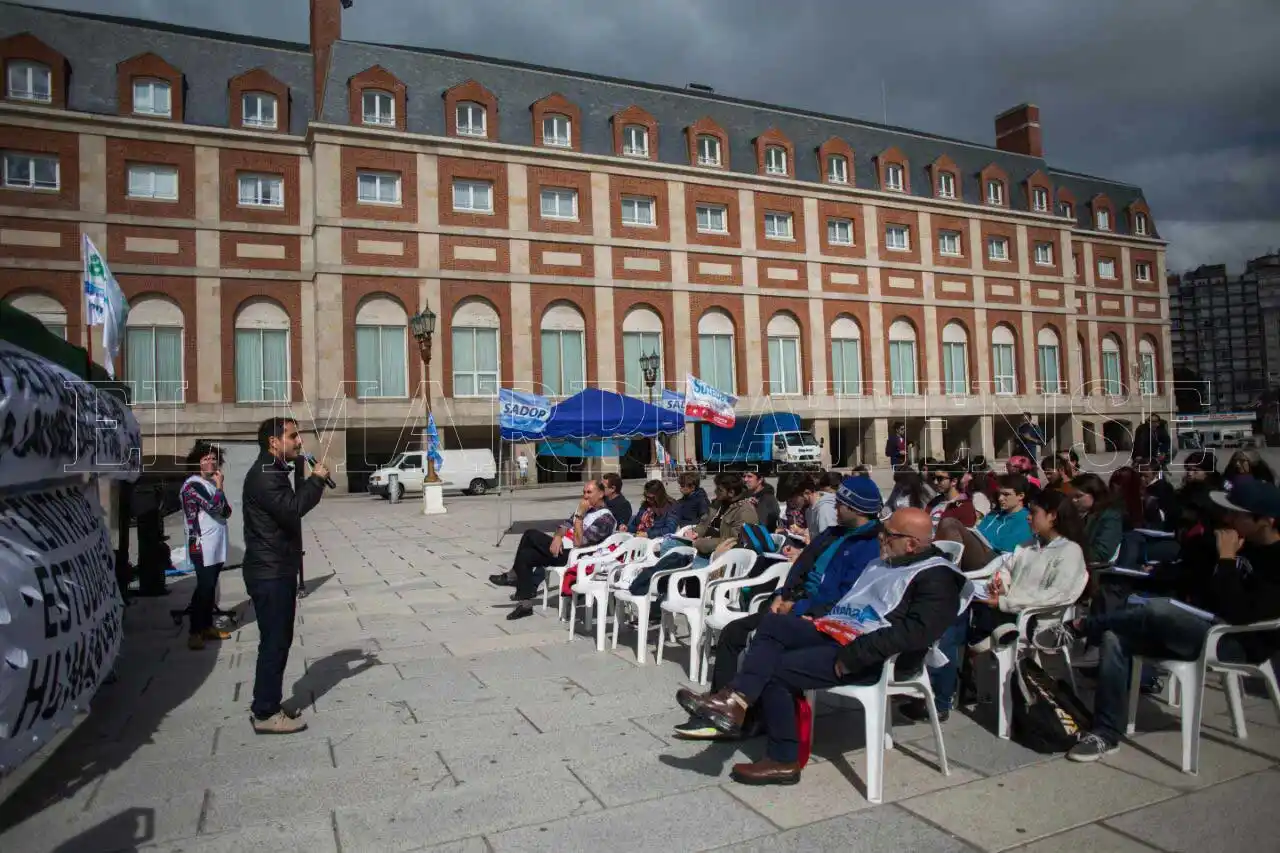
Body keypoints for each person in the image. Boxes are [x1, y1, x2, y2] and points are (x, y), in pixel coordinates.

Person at [675, 508, 970, 785]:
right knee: (774, 624)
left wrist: (854, 655)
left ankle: (783, 759)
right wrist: (816, 614)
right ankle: (736, 702)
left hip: (872, 656)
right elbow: (853, 601)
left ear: (911, 544)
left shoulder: (937, 578)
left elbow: (914, 634)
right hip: (839, 631)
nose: (881, 537)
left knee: (778, 668)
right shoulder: (887, 560)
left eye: (888, 534)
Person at [1063, 480, 1280, 762]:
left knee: (1158, 609)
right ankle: (1106, 733)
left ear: (1265, 521)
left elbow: (1242, 613)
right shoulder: (1236, 540)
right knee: (1116, 637)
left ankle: (1080, 627)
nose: (1228, 519)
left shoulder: (1273, 560)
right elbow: (1197, 585)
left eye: (1237, 514)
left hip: (1238, 642)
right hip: (1201, 626)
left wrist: (1226, 560)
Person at [673, 476, 885, 739]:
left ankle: (743, 715)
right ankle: (721, 705)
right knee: (733, 632)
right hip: (793, 602)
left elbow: (849, 596)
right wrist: (780, 595)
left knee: (768, 638)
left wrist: (801, 607)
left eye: (840, 504)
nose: (835, 508)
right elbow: (800, 568)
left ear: (856, 508)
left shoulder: (869, 547)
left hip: (819, 617)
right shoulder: (833, 534)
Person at [242, 417, 329, 734]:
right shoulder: (266, 475)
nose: (299, 442)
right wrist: (317, 481)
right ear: (273, 442)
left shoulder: (272, 470)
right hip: (270, 571)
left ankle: (267, 703)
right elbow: (292, 508)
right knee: (275, 642)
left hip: (274, 567)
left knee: (278, 639)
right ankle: (264, 712)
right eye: (293, 436)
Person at [966, 489, 1089, 652]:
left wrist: (1004, 602)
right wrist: (999, 584)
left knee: (960, 619)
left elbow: (1055, 595)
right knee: (960, 605)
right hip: (1006, 613)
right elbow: (1006, 569)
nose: (1028, 517)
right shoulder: (1028, 545)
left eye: (1033, 512)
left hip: (1033, 623)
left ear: (1052, 516)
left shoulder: (1070, 551)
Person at [493, 479, 617, 620]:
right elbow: (563, 526)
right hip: (563, 548)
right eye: (584, 492)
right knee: (526, 555)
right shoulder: (584, 508)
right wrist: (558, 536)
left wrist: (580, 516)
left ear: (601, 494)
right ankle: (525, 605)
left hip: (579, 557)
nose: (585, 496)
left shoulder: (606, 518)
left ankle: (512, 576)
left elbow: (579, 542)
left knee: (530, 534)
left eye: (589, 492)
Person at [181, 442, 232, 651]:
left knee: (210, 586)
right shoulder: (192, 485)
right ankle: (194, 631)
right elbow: (213, 507)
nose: (210, 462)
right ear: (197, 463)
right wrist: (220, 487)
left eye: (213, 458)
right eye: (206, 459)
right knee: (204, 587)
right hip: (201, 544)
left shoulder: (210, 484)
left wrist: (219, 491)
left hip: (216, 542)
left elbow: (226, 510)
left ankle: (207, 626)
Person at [934, 473, 1032, 573]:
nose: (1000, 498)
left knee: (950, 523)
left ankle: (950, 575)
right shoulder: (993, 515)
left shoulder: (1026, 518)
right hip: (980, 555)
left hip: (998, 561)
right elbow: (978, 533)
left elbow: (1010, 549)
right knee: (948, 526)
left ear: (1021, 496)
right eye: (999, 494)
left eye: (1006, 494)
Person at [688, 473, 759, 564]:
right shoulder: (718, 504)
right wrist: (695, 532)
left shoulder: (745, 511)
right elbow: (704, 523)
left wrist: (699, 543)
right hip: (701, 550)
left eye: (719, 490)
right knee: (671, 545)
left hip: (722, 560)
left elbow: (734, 542)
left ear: (731, 492)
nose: (715, 491)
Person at [1070, 473, 1125, 567]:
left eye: (1078, 496)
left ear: (1095, 495)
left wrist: (1068, 553)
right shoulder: (1073, 514)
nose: (1074, 500)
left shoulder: (1109, 517)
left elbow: (1102, 553)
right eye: (1072, 496)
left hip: (1095, 570)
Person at [798, 471, 841, 540]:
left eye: (792, 499)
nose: (792, 503)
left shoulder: (824, 509)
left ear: (807, 492)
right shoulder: (809, 510)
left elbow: (827, 542)